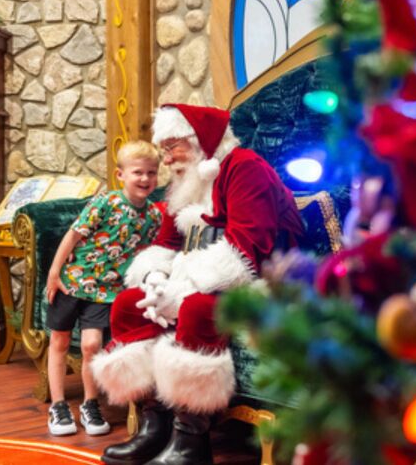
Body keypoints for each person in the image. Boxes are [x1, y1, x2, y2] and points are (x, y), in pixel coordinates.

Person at [91, 104, 304, 465]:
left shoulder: (245, 167)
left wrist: (181, 291)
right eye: (165, 146)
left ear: (200, 140)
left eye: (174, 145)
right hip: (203, 274)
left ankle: (192, 439)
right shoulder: (185, 179)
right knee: (130, 302)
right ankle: (153, 425)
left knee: (196, 308)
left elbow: (245, 251)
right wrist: (156, 281)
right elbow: (165, 244)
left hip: (263, 280)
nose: (167, 156)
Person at [44, 140, 163, 436]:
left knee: (91, 347)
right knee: (59, 341)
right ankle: (58, 405)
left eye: (152, 172)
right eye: (138, 172)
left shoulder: (154, 216)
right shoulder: (104, 203)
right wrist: (54, 272)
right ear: (120, 175)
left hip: (106, 292)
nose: (145, 179)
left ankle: (90, 402)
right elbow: (73, 236)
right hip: (73, 283)